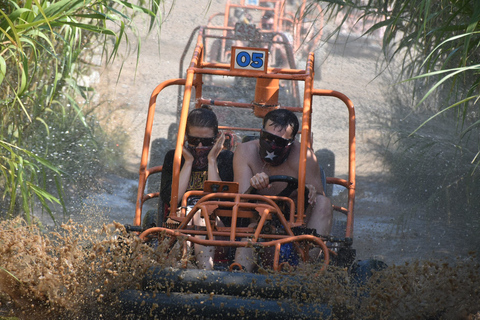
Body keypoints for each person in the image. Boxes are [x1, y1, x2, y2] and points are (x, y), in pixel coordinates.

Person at [233, 108, 332, 270]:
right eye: (268, 138)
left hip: (295, 229)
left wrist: (309, 192)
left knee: (324, 202)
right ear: (261, 132)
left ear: (291, 142)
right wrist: (254, 185)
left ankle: (306, 269)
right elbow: (241, 201)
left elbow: (318, 200)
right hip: (256, 225)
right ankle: (237, 276)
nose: (272, 145)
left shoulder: (305, 157)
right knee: (250, 233)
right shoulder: (244, 151)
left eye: (279, 142)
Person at [160, 107, 234, 269]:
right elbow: (173, 200)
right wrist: (188, 162)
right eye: (194, 141)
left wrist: (212, 160)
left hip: (216, 224)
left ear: (216, 139)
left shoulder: (226, 159)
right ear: (185, 138)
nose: (200, 146)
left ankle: (204, 271)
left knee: (200, 214)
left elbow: (220, 201)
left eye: (206, 142)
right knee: (186, 214)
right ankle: (180, 270)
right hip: (180, 220)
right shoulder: (174, 158)